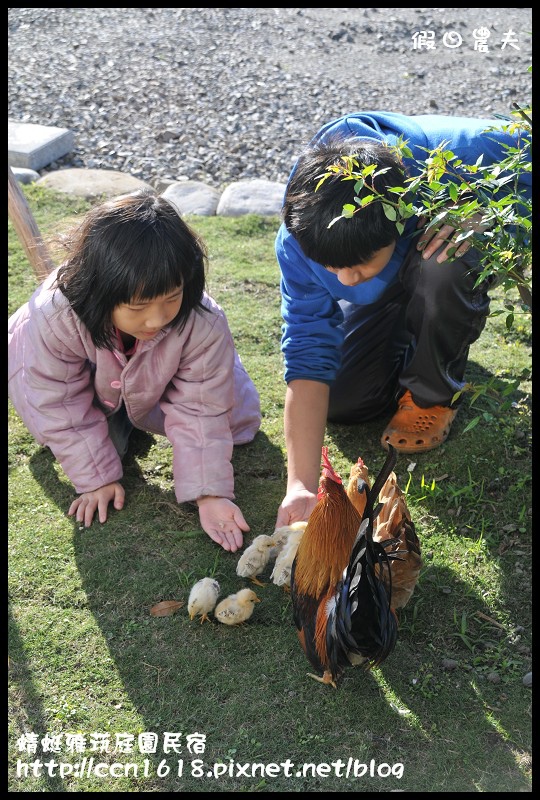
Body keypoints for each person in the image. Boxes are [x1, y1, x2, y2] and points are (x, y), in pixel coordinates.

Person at [274, 111, 531, 528]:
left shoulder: (457, 155)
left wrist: (485, 216)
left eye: (357, 265)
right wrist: (300, 485)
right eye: (330, 266)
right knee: (343, 400)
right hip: (391, 286)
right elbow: (307, 350)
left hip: (437, 262)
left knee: (444, 263)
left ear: (399, 222)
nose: (343, 280)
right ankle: (418, 335)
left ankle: (432, 391)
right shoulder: (301, 231)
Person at [8, 189, 261, 552]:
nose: (157, 319)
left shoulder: (202, 320)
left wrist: (208, 493)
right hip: (84, 385)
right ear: (100, 292)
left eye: (172, 298)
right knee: (96, 450)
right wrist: (95, 480)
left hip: (152, 379)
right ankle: (120, 419)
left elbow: (203, 406)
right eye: (138, 306)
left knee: (236, 421)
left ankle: (136, 411)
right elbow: (57, 401)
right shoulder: (52, 316)